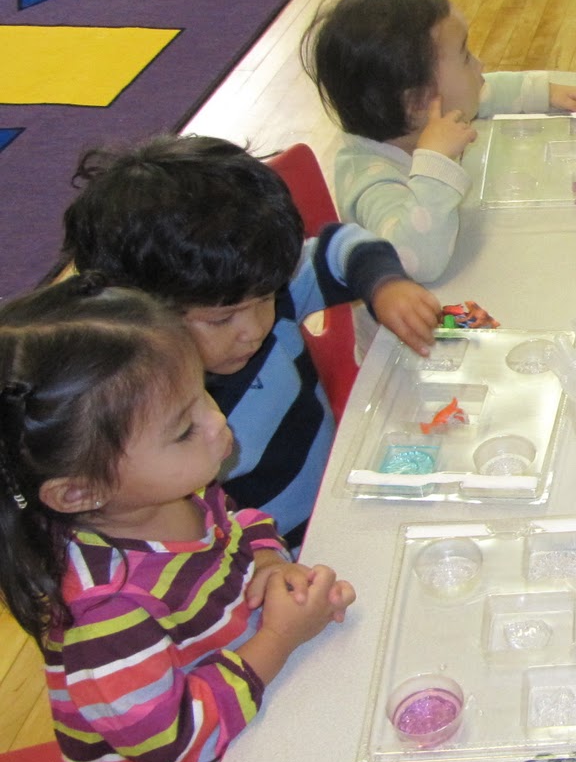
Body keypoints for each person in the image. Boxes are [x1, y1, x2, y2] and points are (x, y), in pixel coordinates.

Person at [0, 277, 356, 762]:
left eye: (203, 397)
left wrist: (270, 565)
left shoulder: (178, 493)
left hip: (257, 731)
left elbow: (242, 525)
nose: (218, 425)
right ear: (79, 492)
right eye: (184, 428)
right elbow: (178, 739)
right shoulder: (106, 615)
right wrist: (278, 638)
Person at [60, 134, 441, 552]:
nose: (255, 328)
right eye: (222, 319)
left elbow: (339, 247)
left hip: (348, 493)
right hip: (284, 556)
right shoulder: (165, 424)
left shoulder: (249, 288)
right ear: (142, 319)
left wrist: (384, 284)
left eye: (265, 299)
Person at [302, 0, 576, 283]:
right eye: (465, 56)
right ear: (418, 101)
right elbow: (418, 262)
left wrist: (543, 92)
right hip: (412, 325)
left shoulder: (424, 115)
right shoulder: (369, 180)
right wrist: (435, 162)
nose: (480, 64)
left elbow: (482, 92)